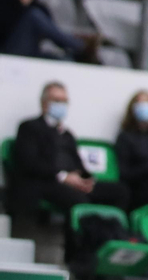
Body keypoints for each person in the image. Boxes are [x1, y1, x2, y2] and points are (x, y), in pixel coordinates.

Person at [8, 82, 128, 218]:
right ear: (44, 103)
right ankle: (82, 231)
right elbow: (29, 163)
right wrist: (63, 177)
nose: (61, 105)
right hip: (48, 182)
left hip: (73, 182)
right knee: (78, 198)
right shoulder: (29, 128)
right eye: (56, 100)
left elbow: (78, 163)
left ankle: (112, 228)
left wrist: (86, 180)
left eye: (64, 101)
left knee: (120, 192)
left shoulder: (67, 134)